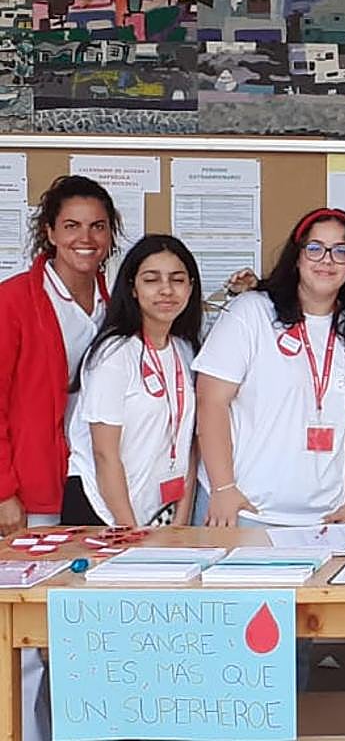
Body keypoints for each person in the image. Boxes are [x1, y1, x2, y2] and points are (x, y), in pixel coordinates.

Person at [0, 174, 119, 741]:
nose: (85, 238)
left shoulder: (117, 299)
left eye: (97, 226)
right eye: (71, 226)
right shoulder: (14, 300)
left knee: (79, 636)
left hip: (91, 486)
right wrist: (4, 488)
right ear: (49, 232)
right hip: (33, 490)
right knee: (24, 641)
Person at [193, 206, 345, 530]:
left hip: (327, 519)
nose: (326, 260)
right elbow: (211, 401)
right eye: (314, 248)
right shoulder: (252, 312)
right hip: (245, 511)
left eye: (340, 251)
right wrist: (223, 489)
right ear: (297, 258)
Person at [62, 235, 203, 528]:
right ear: (133, 289)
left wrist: (181, 519)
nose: (166, 290)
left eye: (177, 280)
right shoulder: (114, 354)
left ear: (190, 287)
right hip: (104, 512)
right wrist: (128, 530)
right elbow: (104, 453)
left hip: (161, 511)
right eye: (152, 280)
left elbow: (189, 440)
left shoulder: (186, 349)